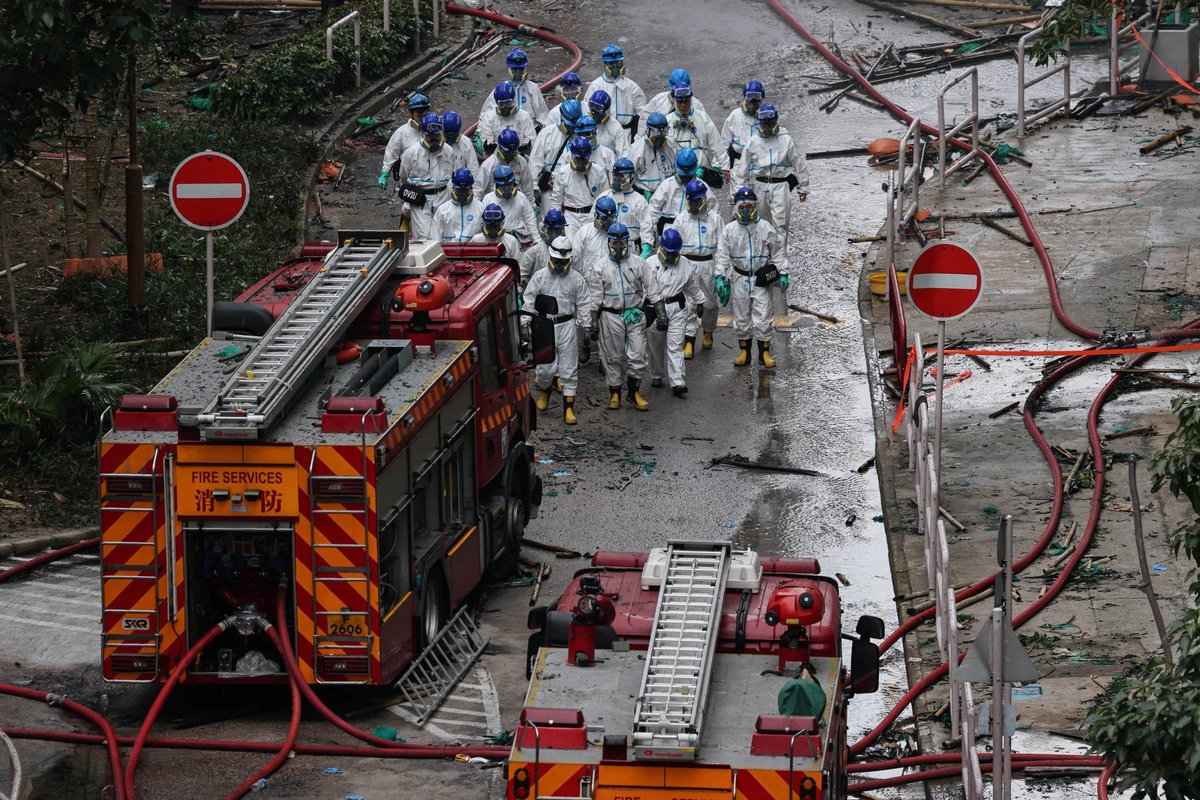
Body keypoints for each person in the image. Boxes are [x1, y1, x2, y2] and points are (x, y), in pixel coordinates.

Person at [586, 222, 663, 411]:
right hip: (611, 316)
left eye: (622, 243)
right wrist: (592, 324)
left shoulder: (639, 264)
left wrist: (661, 314)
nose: (618, 247)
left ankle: (633, 392)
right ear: (609, 243)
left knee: (638, 354)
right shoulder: (599, 267)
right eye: (615, 244)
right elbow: (595, 298)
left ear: (627, 243)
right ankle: (615, 395)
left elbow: (653, 290)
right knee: (612, 356)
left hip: (635, 314)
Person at [714, 187, 790, 368]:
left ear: (755, 206)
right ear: (737, 208)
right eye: (742, 207)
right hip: (739, 278)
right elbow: (722, 255)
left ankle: (764, 354)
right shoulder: (730, 230)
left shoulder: (765, 228)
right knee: (741, 317)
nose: (746, 210)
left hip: (761, 279)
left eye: (749, 206)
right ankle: (744, 352)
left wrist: (784, 271)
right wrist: (720, 277)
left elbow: (778, 252)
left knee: (763, 316)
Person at [523, 236, 592, 425]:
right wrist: (525, 323)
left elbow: (584, 303)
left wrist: (586, 327)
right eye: (557, 261)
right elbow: (529, 300)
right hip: (544, 325)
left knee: (569, 368)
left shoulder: (577, 279)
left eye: (563, 262)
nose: (560, 265)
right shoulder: (540, 276)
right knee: (544, 368)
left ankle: (568, 409)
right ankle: (545, 390)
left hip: (567, 325)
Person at [733, 103, 808, 240]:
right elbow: (742, 167)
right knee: (759, 223)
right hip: (759, 186)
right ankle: (763, 257)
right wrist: (738, 190)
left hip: (781, 186)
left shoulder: (786, 140)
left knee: (781, 225)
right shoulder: (753, 141)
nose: (766, 126)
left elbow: (799, 163)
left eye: (769, 122)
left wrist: (803, 188)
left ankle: (779, 259)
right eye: (764, 123)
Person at [646, 228, 705, 395]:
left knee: (676, 345)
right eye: (668, 252)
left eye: (674, 252)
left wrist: (700, 301)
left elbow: (692, 285)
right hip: (655, 308)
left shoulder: (684, 264)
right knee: (655, 344)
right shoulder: (650, 264)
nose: (671, 256)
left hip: (677, 308)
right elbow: (644, 288)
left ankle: (677, 381)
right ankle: (657, 374)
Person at [672, 179, 722, 357]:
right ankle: (689, 341)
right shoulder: (681, 220)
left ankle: (708, 331)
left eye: (698, 201)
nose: (695, 205)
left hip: (708, 262)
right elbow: (674, 245)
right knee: (689, 304)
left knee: (710, 302)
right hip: (688, 263)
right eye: (691, 202)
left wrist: (723, 274)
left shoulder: (715, 219)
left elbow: (723, 247)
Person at [389, 113, 454, 240]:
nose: (434, 138)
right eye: (430, 135)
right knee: (423, 237)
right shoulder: (411, 153)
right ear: (424, 134)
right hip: (421, 199)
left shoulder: (448, 151)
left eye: (436, 134)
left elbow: (451, 172)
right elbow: (404, 176)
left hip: (443, 197)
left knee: (443, 235)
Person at [664, 83, 728, 187]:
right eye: (680, 102)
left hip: (699, 174)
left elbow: (716, 142)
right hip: (675, 176)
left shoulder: (702, 118)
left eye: (686, 101)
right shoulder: (667, 121)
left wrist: (725, 166)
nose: (683, 105)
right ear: (674, 101)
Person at [530, 98, 582, 215]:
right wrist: (534, 188)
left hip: (574, 191)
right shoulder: (547, 133)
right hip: (550, 191)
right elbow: (535, 162)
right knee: (551, 223)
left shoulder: (581, 135)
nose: (571, 129)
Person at [587, 44, 647, 144]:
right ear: (604, 64)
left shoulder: (632, 87)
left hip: (626, 134)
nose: (615, 66)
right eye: (611, 63)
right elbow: (587, 112)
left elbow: (643, 115)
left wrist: (639, 138)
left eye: (618, 63)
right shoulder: (596, 86)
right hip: (602, 133)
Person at [549, 136, 609, 236]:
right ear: (572, 155)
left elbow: (606, 197)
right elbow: (556, 200)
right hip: (570, 216)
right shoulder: (563, 172)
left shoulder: (599, 171)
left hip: (591, 215)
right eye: (578, 158)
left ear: (589, 156)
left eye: (584, 158)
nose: (581, 161)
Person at [479, 49, 549, 128]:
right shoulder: (501, 90)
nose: (518, 73)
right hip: (506, 133)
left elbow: (543, 116)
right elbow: (486, 116)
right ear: (509, 69)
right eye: (515, 70)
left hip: (529, 131)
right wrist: (481, 132)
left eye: (521, 69)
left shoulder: (532, 89)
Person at [643, 148, 699, 242]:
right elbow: (652, 210)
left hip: (692, 231)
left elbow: (712, 213)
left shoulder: (701, 187)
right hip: (668, 231)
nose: (685, 177)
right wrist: (649, 237)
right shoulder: (667, 185)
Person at [481, 165, 540, 247]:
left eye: (509, 184)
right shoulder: (488, 199)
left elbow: (530, 220)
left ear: (513, 183)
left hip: (519, 240)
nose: (507, 188)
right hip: (497, 240)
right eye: (503, 185)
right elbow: (482, 222)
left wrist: (536, 239)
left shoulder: (521, 197)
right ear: (497, 185)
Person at [639, 68, 708, 136]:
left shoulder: (697, 105)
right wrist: (639, 142)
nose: (683, 105)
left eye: (686, 101)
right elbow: (644, 123)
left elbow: (706, 128)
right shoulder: (658, 101)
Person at [380, 92, 430, 185]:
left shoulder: (434, 130)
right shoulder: (402, 132)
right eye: (419, 114)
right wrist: (385, 172)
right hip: (409, 179)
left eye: (425, 115)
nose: (422, 118)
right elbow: (391, 152)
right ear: (411, 112)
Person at [478, 81, 536, 156]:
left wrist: (527, 147)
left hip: (520, 157)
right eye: (501, 104)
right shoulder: (489, 118)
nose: (505, 107)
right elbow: (486, 139)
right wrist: (488, 148)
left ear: (513, 100)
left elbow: (531, 139)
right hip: (497, 157)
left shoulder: (524, 116)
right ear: (496, 103)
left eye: (508, 103)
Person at [628, 112, 678, 198]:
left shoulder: (671, 145)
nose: (659, 139)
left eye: (663, 135)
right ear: (648, 131)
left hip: (669, 195)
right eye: (656, 136)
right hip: (645, 195)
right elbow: (629, 177)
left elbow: (678, 170)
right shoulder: (637, 150)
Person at [602, 158, 647, 252]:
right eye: (615, 175)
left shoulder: (639, 201)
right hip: (608, 245)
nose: (617, 179)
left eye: (621, 176)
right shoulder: (604, 197)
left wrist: (647, 244)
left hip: (631, 247)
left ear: (631, 177)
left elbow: (646, 225)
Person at [430, 168, 484, 244]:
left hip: (473, 253)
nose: (462, 193)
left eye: (465, 190)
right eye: (459, 191)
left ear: (471, 188)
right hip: (448, 253)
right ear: (453, 188)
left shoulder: (481, 209)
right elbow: (435, 239)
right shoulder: (442, 210)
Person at [478, 128, 534, 198]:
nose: (511, 154)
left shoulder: (522, 163)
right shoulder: (488, 165)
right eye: (508, 152)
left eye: (513, 151)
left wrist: (532, 206)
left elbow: (528, 190)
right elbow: (478, 191)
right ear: (500, 148)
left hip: (515, 204)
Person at [570, 195, 619, 275]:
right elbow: (575, 258)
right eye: (604, 219)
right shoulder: (584, 232)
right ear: (596, 215)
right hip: (588, 278)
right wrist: (585, 275)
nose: (607, 222)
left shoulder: (616, 234)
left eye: (610, 219)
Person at [519, 209, 568, 285]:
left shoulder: (570, 251)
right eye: (551, 230)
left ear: (563, 230)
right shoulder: (534, 252)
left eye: (557, 230)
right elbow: (522, 274)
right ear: (545, 229)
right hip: (539, 293)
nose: (554, 233)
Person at [721, 80, 765, 166]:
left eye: (756, 100)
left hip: (759, 165)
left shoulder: (765, 118)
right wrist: (720, 166)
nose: (752, 104)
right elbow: (724, 142)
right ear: (744, 97)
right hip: (737, 164)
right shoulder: (735, 115)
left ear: (761, 100)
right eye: (750, 99)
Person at [586, 89, 629, 158]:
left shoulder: (616, 128)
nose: (594, 115)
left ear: (607, 111)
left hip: (607, 165)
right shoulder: (584, 122)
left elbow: (623, 154)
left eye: (598, 111)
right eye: (592, 109)